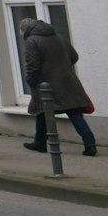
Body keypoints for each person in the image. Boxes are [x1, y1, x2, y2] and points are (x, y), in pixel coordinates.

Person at [19, 16, 98, 157]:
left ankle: (40, 143)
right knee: (74, 113)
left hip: (46, 84)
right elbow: (74, 57)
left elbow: (32, 65)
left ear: (25, 30)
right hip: (67, 81)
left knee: (42, 110)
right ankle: (90, 144)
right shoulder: (58, 37)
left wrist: (30, 80)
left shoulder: (32, 41)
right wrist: (62, 68)